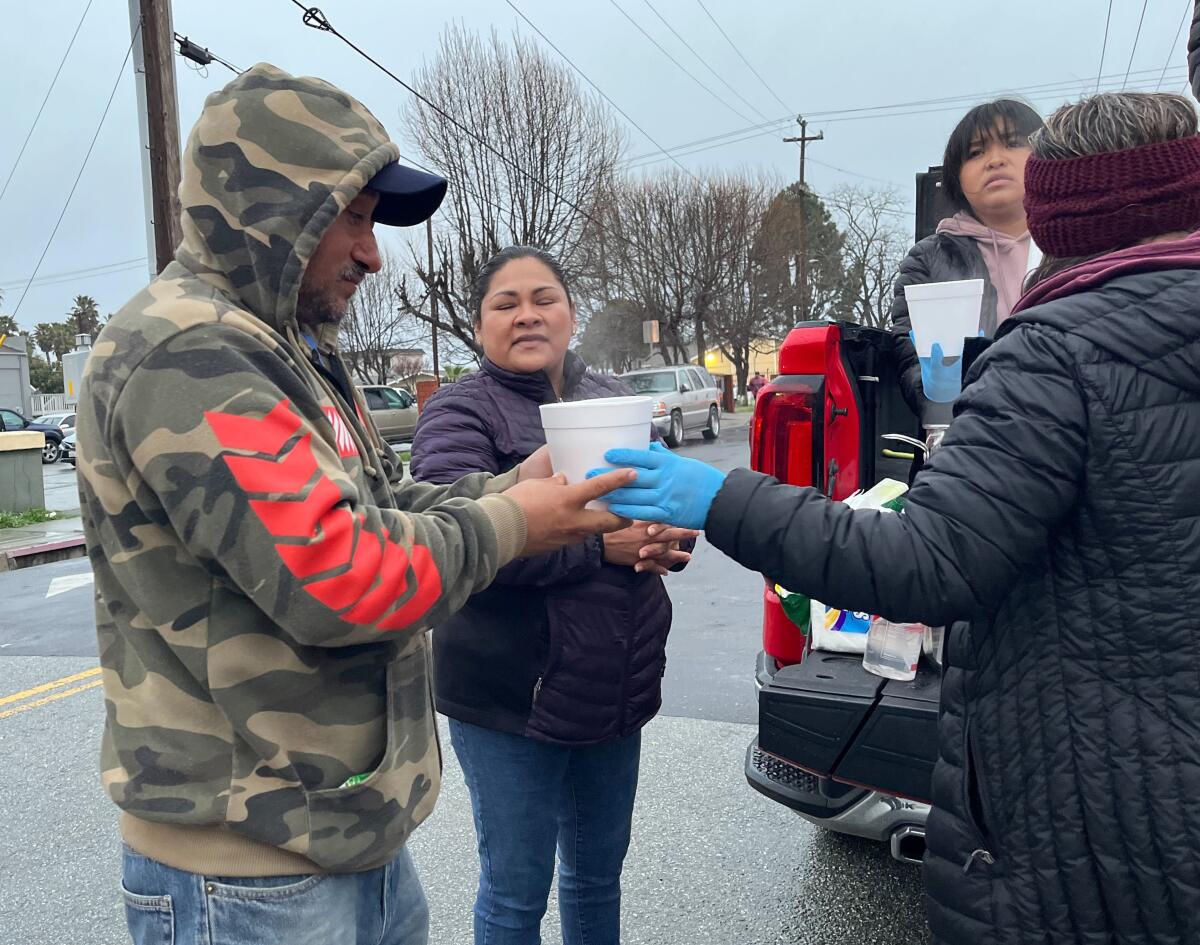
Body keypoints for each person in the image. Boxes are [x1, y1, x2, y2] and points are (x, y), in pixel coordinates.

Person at [592, 91, 1200, 945]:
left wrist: (718, 497)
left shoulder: (1059, 344)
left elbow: (930, 558)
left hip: (1096, 807)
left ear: (1063, 211)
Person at [75, 64, 632, 945]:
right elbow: (342, 571)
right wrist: (521, 523)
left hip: (332, 843)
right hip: (245, 876)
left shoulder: (281, 347)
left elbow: (376, 503)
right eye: (357, 217)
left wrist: (507, 487)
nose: (374, 254)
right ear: (273, 209)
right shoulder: (190, 352)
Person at [410, 246, 696, 945]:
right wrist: (603, 546)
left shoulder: (613, 403)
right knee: (515, 894)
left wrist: (667, 537)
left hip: (614, 684)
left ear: (572, 315)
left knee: (598, 879)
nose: (528, 314)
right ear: (480, 327)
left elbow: (660, 507)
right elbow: (455, 541)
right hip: (511, 698)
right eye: (506, 303)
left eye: (545, 298)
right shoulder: (458, 414)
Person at [890, 99, 1043, 410]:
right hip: (969, 431)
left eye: (1012, 143)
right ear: (956, 176)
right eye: (976, 152)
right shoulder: (929, 259)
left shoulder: (1077, 246)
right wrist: (935, 393)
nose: (995, 160)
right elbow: (909, 355)